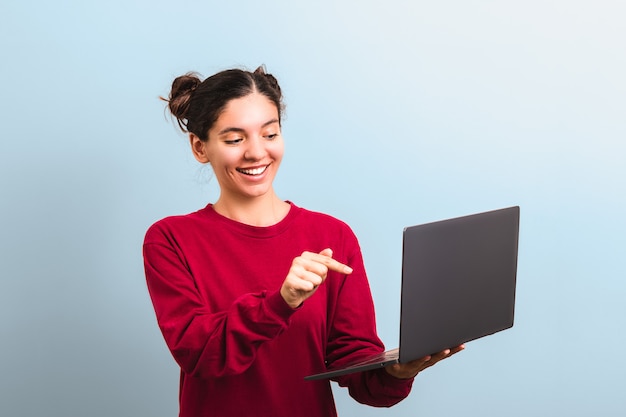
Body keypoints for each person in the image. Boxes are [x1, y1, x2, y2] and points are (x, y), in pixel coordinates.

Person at [143, 66, 463, 417]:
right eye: (235, 139)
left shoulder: (333, 236)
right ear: (200, 147)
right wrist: (281, 302)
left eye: (269, 134)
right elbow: (199, 354)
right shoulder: (170, 240)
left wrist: (397, 371)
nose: (256, 153)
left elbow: (357, 368)